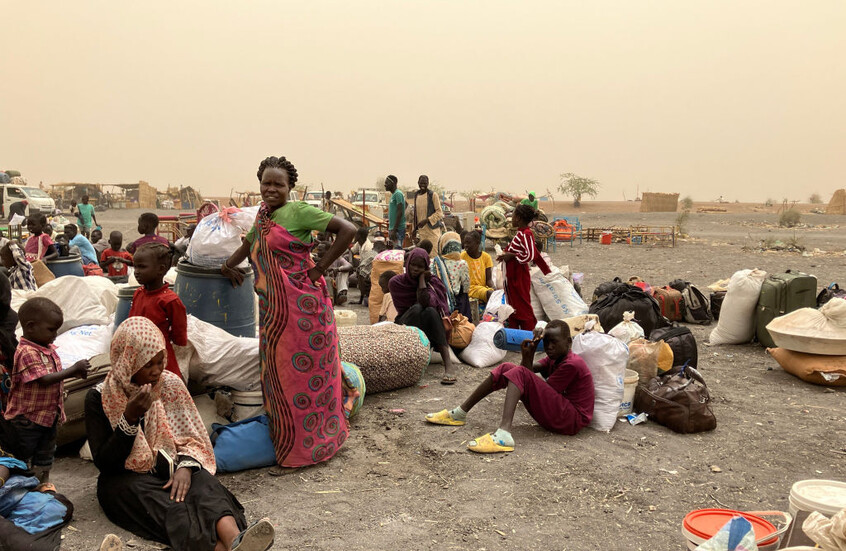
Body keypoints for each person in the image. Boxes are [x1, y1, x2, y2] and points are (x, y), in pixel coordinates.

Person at [85, 317, 275, 551]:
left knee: (203, 484)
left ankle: (236, 539)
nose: (156, 371)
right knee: (168, 506)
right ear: (128, 361)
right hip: (126, 478)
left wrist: (186, 467)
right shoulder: (101, 397)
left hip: (173, 464)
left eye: (160, 361)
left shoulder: (169, 384)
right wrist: (130, 419)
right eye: (148, 365)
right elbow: (105, 462)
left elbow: (193, 438)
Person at [221, 155, 358, 468]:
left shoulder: (298, 211)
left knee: (307, 373)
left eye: (277, 184)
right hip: (273, 310)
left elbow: (348, 230)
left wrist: (320, 268)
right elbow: (250, 244)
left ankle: (313, 445)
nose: (270, 189)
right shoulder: (263, 215)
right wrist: (228, 265)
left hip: (304, 307)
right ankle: (289, 440)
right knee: (280, 374)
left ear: (290, 187)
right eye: (265, 183)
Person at [425, 320, 594, 453]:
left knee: (518, 373)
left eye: (554, 342)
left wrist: (526, 365)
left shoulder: (571, 364)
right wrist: (530, 353)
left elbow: (536, 387)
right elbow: (528, 374)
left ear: (569, 343)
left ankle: (504, 433)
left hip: (572, 420)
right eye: (547, 342)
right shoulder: (555, 358)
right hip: (561, 413)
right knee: (507, 367)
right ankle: (460, 413)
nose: (549, 347)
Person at [4, 298, 90, 483]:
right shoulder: (27, 351)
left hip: (48, 416)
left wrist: (76, 373)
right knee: (23, 455)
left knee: (46, 454)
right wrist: (72, 370)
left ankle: (42, 483)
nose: (56, 334)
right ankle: (22, 486)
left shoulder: (47, 349)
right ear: (31, 326)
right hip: (27, 419)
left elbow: (54, 376)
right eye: (51, 329)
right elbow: (43, 380)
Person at [389, 247, 456, 384]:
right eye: (413, 265)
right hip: (405, 323)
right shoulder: (396, 282)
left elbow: (428, 302)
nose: (415, 269)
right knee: (419, 308)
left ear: (426, 268)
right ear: (407, 264)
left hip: (427, 326)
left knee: (430, 311)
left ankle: (448, 365)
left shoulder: (432, 282)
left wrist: (422, 281)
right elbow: (410, 307)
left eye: (420, 267)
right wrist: (421, 284)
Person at [128, 243, 187, 379]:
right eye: (135, 266)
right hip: (137, 354)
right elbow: (131, 323)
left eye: (142, 267)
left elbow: (180, 335)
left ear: (161, 269)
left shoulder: (169, 300)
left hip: (160, 358)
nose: (136, 271)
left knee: (165, 387)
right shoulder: (138, 293)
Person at [497, 204, 550, 330]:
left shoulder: (526, 234)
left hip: (519, 276)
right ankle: (515, 335)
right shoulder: (520, 233)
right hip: (513, 275)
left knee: (523, 306)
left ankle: (529, 334)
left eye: (514, 216)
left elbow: (530, 254)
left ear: (519, 218)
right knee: (514, 305)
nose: (512, 219)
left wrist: (512, 256)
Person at [431, 232, 471, 317]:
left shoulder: (435, 262)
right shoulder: (462, 264)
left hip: (438, 300)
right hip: (456, 302)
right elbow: (466, 287)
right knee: (464, 295)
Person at [412, 175, 444, 255]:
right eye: (421, 183)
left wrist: (427, 220)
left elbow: (439, 213)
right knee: (423, 255)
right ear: (418, 183)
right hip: (422, 232)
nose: (423, 185)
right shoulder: (416, 195)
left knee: (433, 254)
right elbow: (416, 214)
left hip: (432, 232)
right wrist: (414, 230)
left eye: (425, 183)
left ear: (428, 183)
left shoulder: (433, 195)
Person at [461, 230, 494, 303]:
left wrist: (493, 287)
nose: (466, 245)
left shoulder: (486, 257)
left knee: (496, 294)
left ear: (477, 243)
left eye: (469, 243)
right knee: (490, 294)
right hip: (470, 289)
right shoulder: (462, 257)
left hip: (482, 288)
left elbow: (489, 280)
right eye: (465, 242)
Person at [384, 175, 406, 247]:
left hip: (397, 230)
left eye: (387, 183)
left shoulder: (398, 194)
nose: (385, 185)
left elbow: (400, 212)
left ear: (393, 183)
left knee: (397, 252)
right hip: (393, 228)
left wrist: (394, 229)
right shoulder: (393, 195)